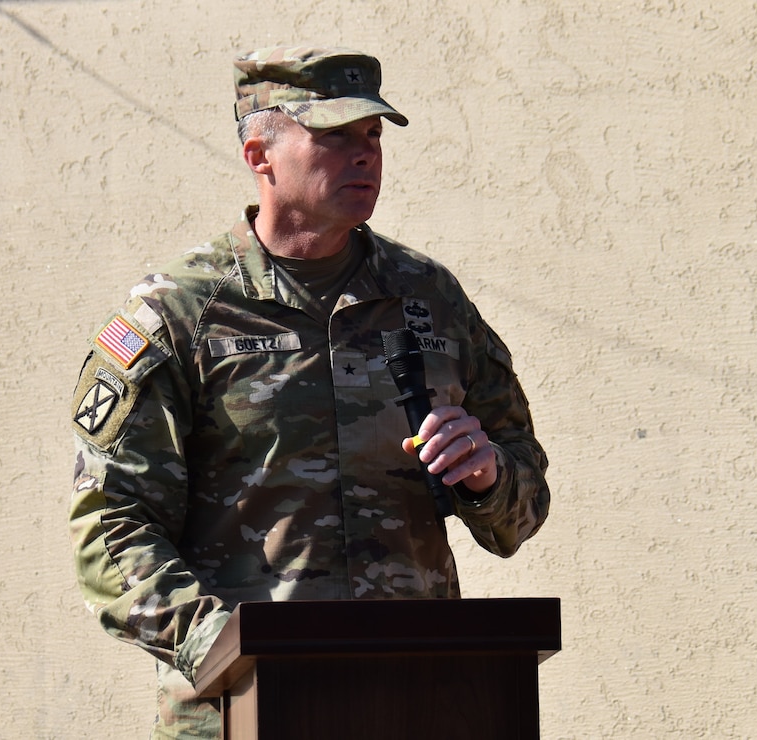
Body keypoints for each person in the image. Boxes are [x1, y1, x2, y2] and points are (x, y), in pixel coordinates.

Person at [68, 45, 550, 739]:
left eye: (374, 136)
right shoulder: (180, 313)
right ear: (259, 155)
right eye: (335, 137)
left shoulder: (430, 298)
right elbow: (110, 525)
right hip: (244, 712)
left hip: (419, 698)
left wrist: (486, 477)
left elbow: (520, 504)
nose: (365, 155)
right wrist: (229, 653)